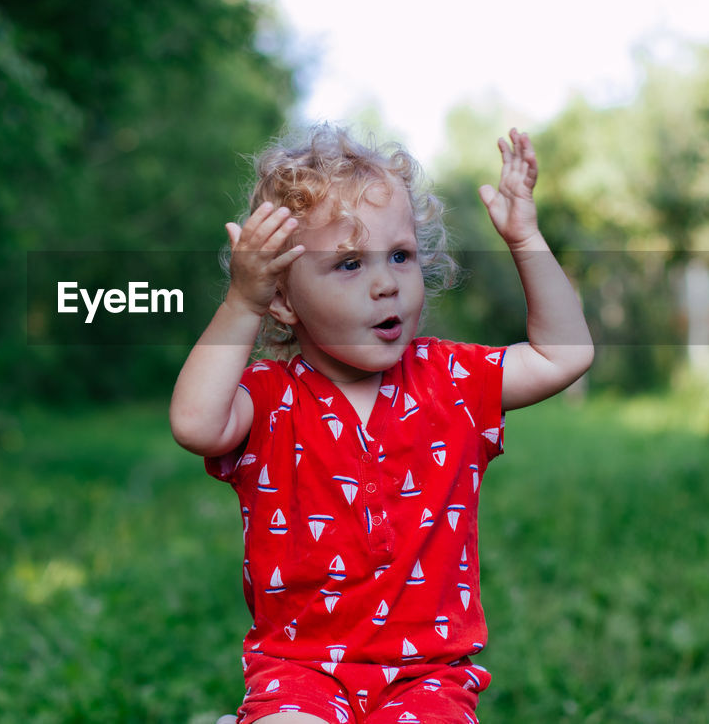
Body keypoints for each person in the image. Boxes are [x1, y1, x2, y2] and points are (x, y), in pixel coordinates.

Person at [170, 124, 594, 724]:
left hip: (429, 678)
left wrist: (524, 237)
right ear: (285, 301)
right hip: (299, 672)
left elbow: (564, 355)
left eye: (401, 255)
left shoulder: (453, 381)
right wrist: (242, 303)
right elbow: (194, 423)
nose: (385, 282)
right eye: (348, 264)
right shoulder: (267, 398)